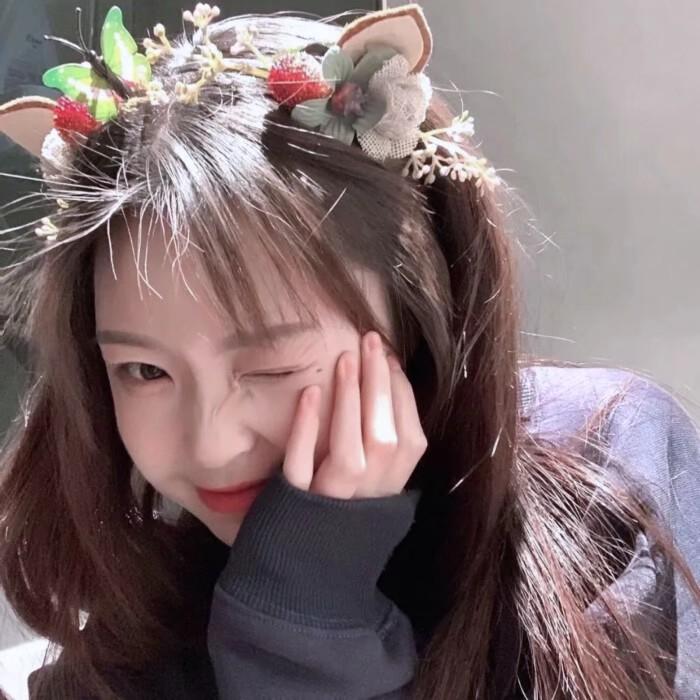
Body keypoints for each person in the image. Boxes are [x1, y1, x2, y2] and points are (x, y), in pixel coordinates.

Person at [0, 3, 698, 699]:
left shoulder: (605, 470)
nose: (210, 445)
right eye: (145, 371)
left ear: (415, 318)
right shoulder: (136, 639)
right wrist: (297, 616)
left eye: (272, 366)